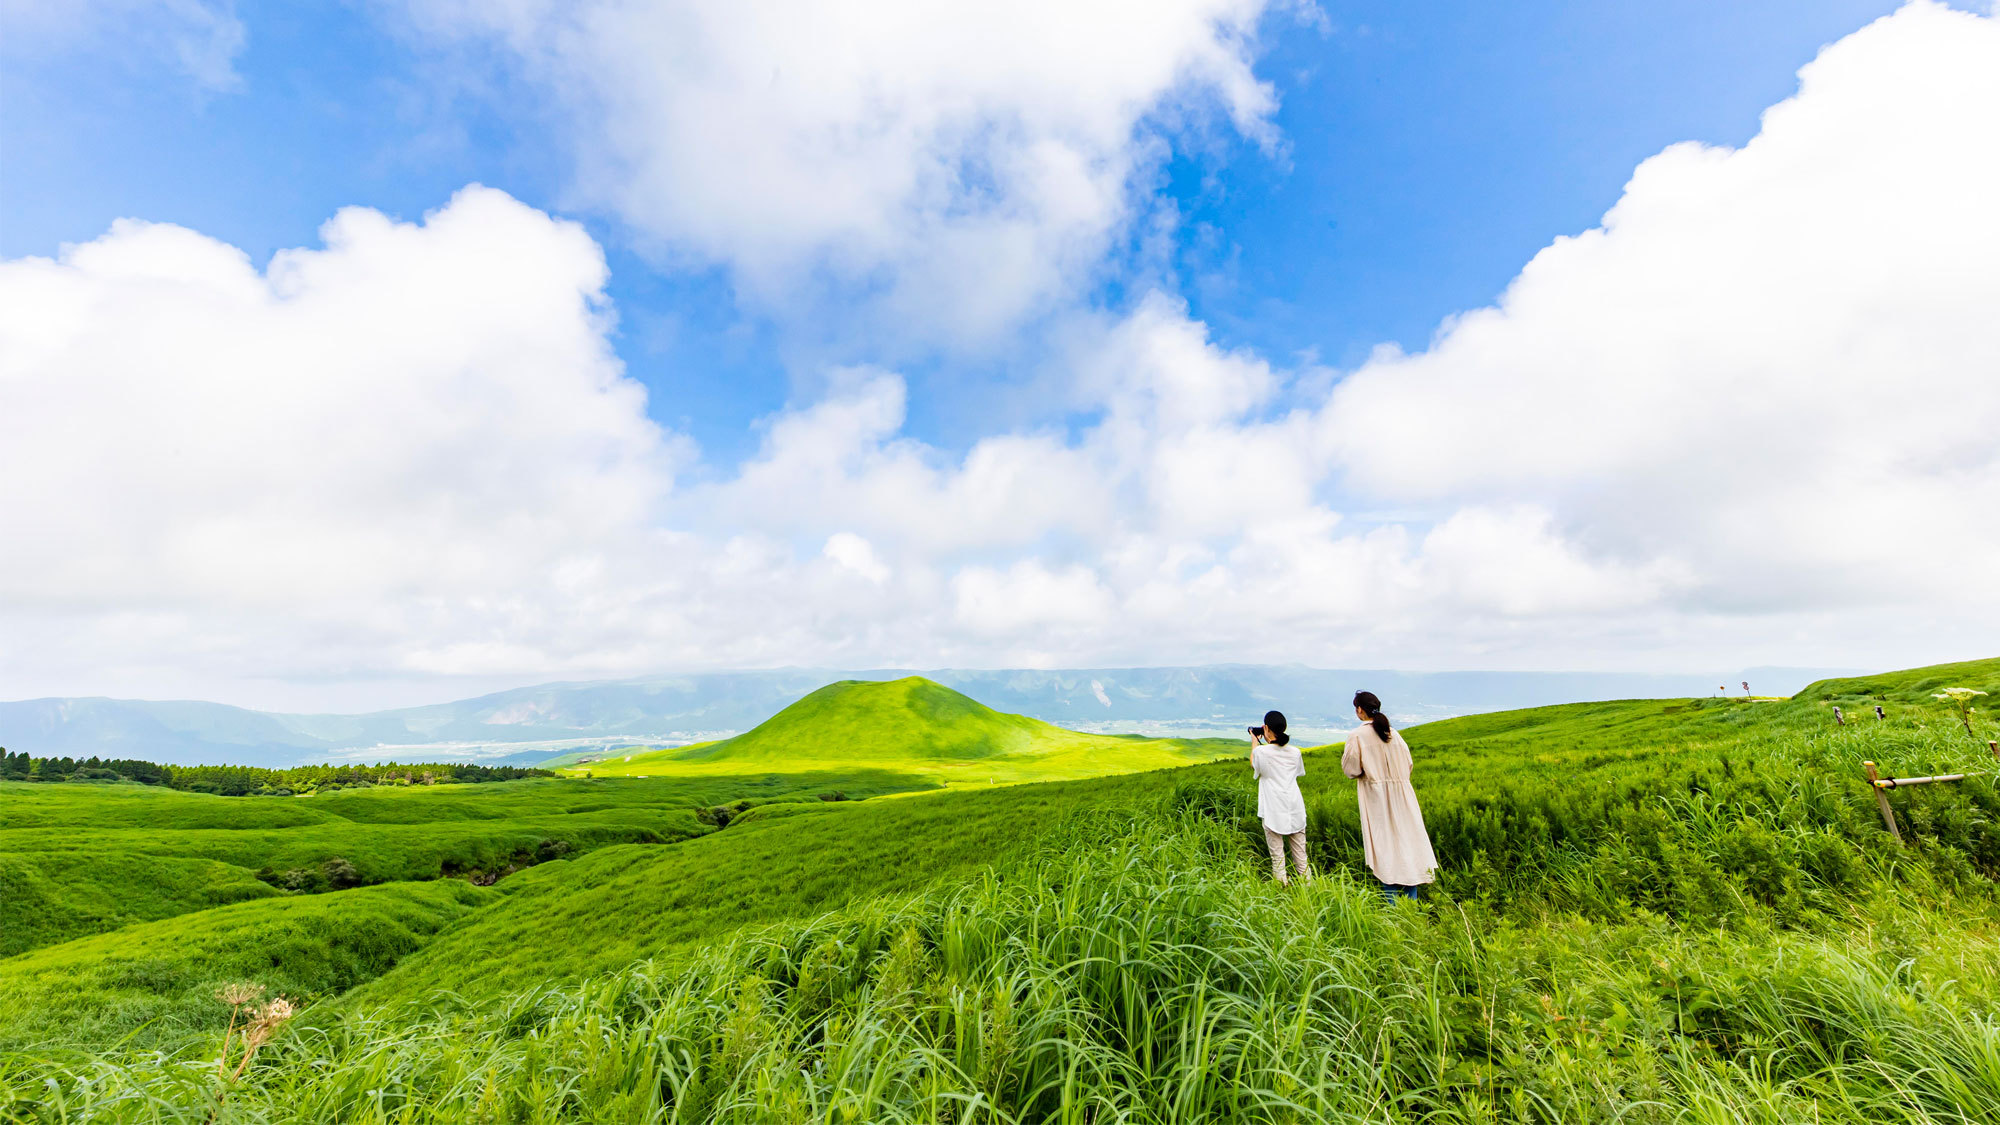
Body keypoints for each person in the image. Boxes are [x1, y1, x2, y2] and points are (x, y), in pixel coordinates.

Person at [1341, 691, 1437, 901]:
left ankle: (1393, 911)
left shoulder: (1357, 736)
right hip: (1404, 798)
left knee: (1386, 853)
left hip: (1378, 800)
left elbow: (1350, 770)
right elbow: (1409, 765)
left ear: (1359, 710)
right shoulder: (1395, 734)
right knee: (1407, 847)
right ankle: (1410, 907)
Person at [1249, 710, 1311, 885]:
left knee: (1278, 859)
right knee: (1302, 859)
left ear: (1266, 728)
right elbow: (1298, 772)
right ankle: (1310, 892)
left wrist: (1255, 741)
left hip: (1273, 809)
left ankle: (1282, 891)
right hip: (1295, 807)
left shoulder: (1261, 752)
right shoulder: (1295, 752)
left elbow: (1254, 764)